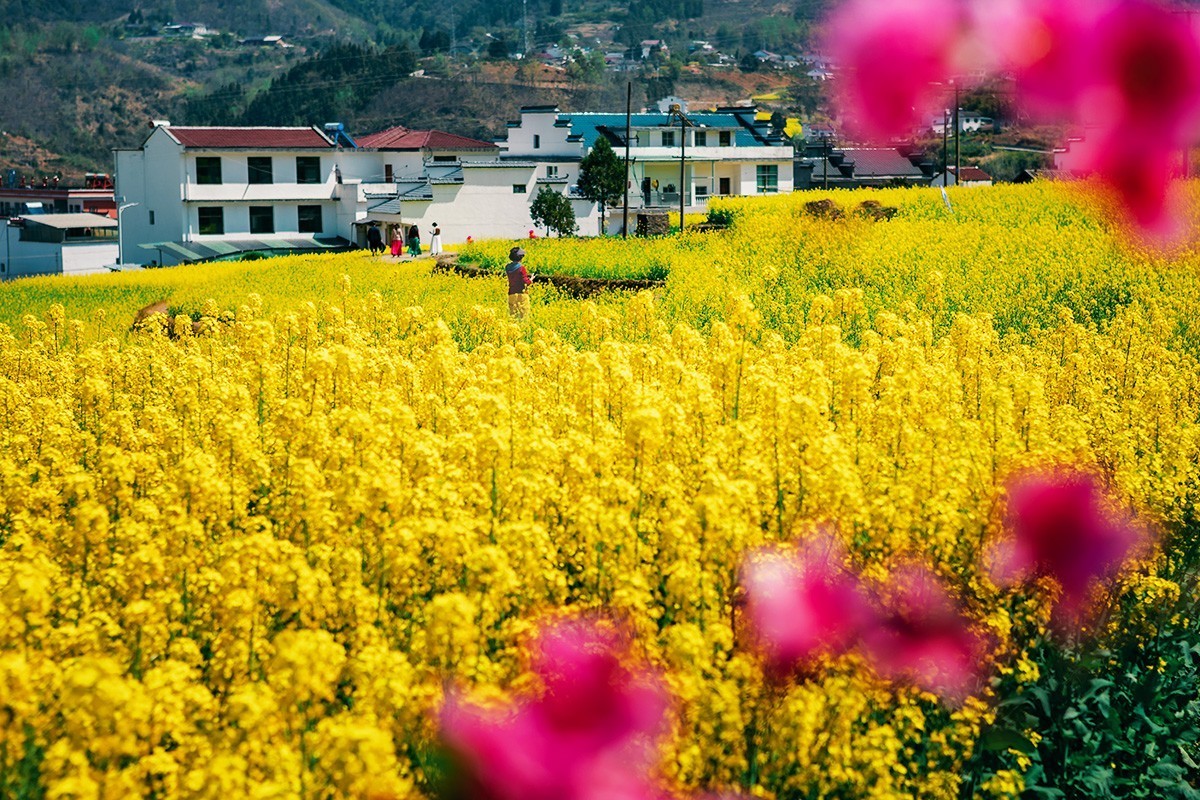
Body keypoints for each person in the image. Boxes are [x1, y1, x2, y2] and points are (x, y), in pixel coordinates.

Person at [505, 246, 532, 319]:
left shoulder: (507, 267)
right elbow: (526, 281)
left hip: (511, 293)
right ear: (521, 257)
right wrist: (531, 279)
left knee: (513, 316)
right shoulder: (521, 268)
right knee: (523, 316)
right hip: (521, 294)